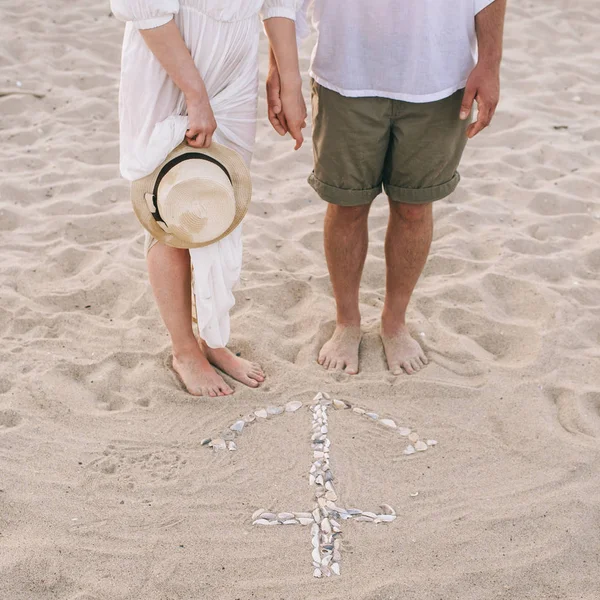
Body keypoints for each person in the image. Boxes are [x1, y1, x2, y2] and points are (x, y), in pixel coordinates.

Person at [268, 0, 506, 376]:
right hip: (345, 74)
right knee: (347, 205)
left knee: (414, 207)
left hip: (440, 78)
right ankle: (347, 321)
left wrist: (490, 64)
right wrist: (278, 71)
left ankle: (394, 322)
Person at [111, 0, 306, 396]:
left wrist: (288, 81)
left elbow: (279, 3)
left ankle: (214, 342)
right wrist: (195, 95)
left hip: (234, 68)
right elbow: (143, 7)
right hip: (167, 64)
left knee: (219, 202)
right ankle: (185, 350)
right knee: (171, 208)